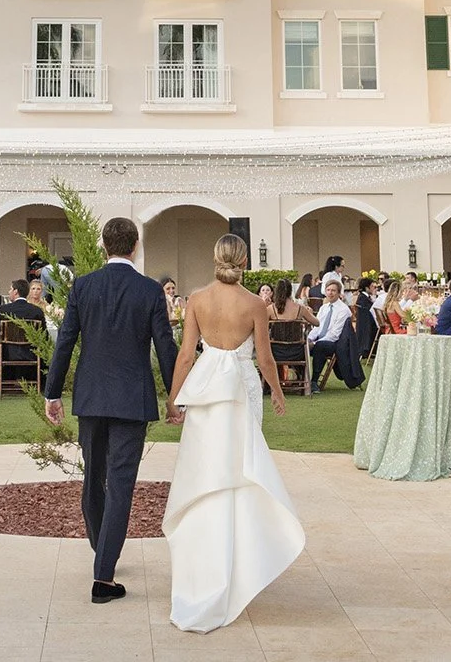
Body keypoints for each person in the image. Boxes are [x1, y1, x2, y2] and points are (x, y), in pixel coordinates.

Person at [164, 233, 303, 633]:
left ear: (214, 258)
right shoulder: (255, 304)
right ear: (244, 260)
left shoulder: (196, 300)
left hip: (207, 391)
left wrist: (174, 399)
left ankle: (207, 560)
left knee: (207, 472)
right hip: (240, 390)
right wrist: (277, 391)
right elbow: (264, 357)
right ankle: (238, 561)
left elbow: (186, 354)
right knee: (240, 473)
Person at [45, 216, 178, 606]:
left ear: (104, 246)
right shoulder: (149, 290)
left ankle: (102, 552)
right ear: (135, 247)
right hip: (131, 400)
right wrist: (175, 397)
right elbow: (165, 346)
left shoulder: (83, 287)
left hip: (91, 397)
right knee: (120, 483)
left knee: (94, 476)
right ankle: (103, 575)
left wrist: (53, 392)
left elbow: (65, 342)